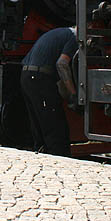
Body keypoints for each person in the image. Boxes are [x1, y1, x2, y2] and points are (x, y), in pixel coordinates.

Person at [20, 27, 78, 156]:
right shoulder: (74, 38)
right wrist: (73, 95)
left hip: (26, 75)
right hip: (40, 78)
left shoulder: (59, 33)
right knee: (54, 123)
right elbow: (62, 64)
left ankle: (41, 151)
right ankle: (59, 157)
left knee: (38, 121)